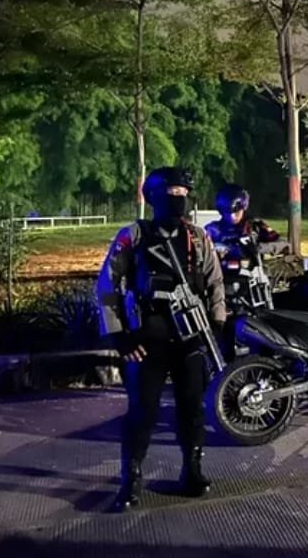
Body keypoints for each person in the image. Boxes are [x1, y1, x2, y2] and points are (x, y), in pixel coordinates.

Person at [96, 166, 227, 512]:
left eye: (183, 194)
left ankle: (192, 470)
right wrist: (119, 336)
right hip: (145, 342)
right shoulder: (133, 236)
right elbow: (108, 285)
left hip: (190, 338)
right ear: (153, 197)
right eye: (172, 194)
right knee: (142, 413)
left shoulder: (198, 238)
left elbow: (215, 283)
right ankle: (131, 478)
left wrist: (216, 324)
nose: (179, 200)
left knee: (192, 409)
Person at [206, 183, 281, 261]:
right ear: (221, 211)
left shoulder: (254, 227)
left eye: (236, 211)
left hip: (251, 268)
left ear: (244, 208)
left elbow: (282, 243)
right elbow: (199, 247)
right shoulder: (212, 230)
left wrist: (260, 248)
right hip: (219, 268)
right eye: (227, 212)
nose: (232, 216)